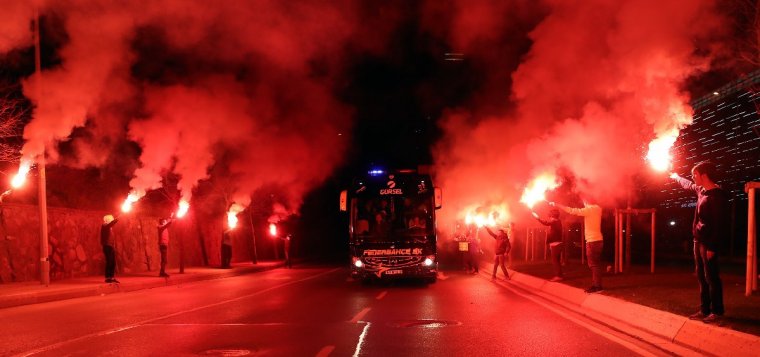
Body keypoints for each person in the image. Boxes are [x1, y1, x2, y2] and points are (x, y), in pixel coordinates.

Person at [671, 161, 729, 324]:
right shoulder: (701, 190)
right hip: (698, 241)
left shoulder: (717, 196)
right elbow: (688, 185)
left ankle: (717, 311)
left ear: (704, 176)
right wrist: (676, 177)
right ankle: (705, 309)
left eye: (695, 174)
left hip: (708, 244)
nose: (693, 177)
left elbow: (719, 225)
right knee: (701, 276)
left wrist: (712, 247)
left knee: (712, 277)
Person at [551, 198, 603, 293]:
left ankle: (597, 286)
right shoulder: (598, 208)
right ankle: (597, 285)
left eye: (584, 202)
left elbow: (572, 211)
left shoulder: (589, 210)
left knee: (593, 265)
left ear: (587, 202)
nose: (583, 204)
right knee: (596, 264)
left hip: (592, 241)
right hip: (598, 240)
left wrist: (557, 204)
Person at [533, 208, 564, 281]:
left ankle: (558, 276)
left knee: (555, 261)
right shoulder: (557, 221)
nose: (549, 215)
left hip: (556, 245)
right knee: (557, 261)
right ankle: (560, 275)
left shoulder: (555, 221)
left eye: (550, 214)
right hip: (556, 244)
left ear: (552, 215)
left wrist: (538, 218)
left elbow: (546, 223)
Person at [101, 214, 120, 283]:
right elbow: (111, 223)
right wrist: (119, 217)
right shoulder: (104, 226)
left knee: (113, 262)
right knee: (109, 262)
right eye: (111, 219)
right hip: (107, 246)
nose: (112, 219)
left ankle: (112, 277)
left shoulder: (109, 228)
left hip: (111, 246)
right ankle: (107, 278)